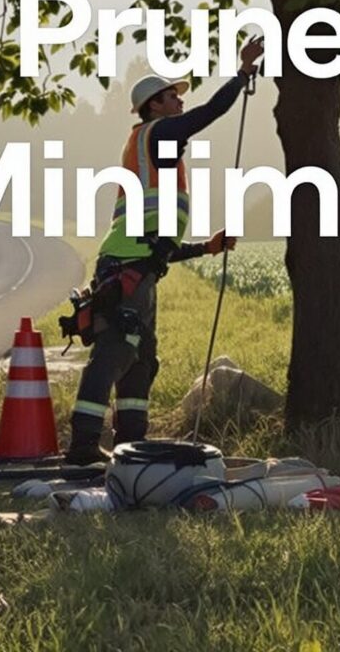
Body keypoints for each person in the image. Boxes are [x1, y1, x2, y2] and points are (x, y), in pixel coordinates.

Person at [63, 36, 265, 466]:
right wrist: (242, 72)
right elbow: (207, 114)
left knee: (140, 361)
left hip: (137, 267)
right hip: (125, 267)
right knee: (117, 352)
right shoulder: (156, 135)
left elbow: (157, 248)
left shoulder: (161, 153)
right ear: (154, 105)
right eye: (172, 95)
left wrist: (205, 248)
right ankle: (82, 448)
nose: (178, 101)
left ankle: (129, 448)